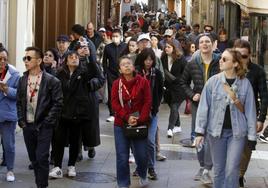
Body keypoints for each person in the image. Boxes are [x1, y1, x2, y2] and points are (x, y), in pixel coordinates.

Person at [195, 48, 257, 188]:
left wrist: (252, 137)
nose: (220, 61)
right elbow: (203, 107)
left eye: (225, 59)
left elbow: (250, 111)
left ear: (235, 64)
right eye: (221, 58)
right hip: (216, 133)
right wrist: (199, 132)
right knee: (219, 170)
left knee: (232, 169)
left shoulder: (245, 84)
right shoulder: (212, 82)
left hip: (237, 133)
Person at [49, 46, 104, 178]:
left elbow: (97, 74)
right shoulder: (59, 73)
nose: (74, 59)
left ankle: (71, 165)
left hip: (77, 113)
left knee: (75, 140)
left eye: (76, 58)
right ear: (66, 61)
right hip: (62, 112)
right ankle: (57, 166)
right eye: (71, 57)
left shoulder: (84, 73)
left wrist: (89, 57)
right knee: (58, 140)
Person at [17, 46, 63, 188]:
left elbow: (58, 103)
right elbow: (19, 102)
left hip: (43, 126)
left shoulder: (52, 81)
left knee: (42, 157)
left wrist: (47, 122)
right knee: (34, 159)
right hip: (27, 125)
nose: (26, 61)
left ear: (39, 61)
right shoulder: (22, 80)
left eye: (29, 58)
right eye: (25, 58)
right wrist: (21, 121)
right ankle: (40, 183)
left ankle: (42, 185)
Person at [181, 33, 221, 184]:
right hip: (198, 106)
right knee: (198, 135)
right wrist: (192, 95)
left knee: (212, 137)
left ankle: (206, 169)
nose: (205, 44)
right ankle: (202, 165)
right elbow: (183, 82)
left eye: (208, 42)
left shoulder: (220, 62)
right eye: (202, 42)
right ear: (198, 46)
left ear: (213, 44)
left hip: (217, 106)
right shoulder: (192, 63)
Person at [111, 56, 151, 188]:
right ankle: (123, 184)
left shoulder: (143, 82)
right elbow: (115, 103)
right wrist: (127, 117)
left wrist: (140, 119)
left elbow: (147, 101)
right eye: (123, 64)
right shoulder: (117, 84)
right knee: (122, 156)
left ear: (133, 67)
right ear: (120, 69)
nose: (127, 66)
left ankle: (143, 174)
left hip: (140, 122)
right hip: (121, 123)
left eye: (129, 63)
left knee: (141, 155)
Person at [233, 39, 268, 188]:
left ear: (250, 56)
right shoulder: (227, 68)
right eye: (238, 55)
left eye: (245, 56)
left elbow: (264, 96)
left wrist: (261, 119)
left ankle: (240, 175)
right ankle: (232, 174)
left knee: (247, 148)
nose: (241, 59)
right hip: (230, 116)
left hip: (250, 116)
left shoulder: (257, 71)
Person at [136, 48, 163, 180]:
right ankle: (140, 166)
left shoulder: (156, 73)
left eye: (151, 59)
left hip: (152, 112)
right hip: (138, 113)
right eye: (146, 59)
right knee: (138, 141)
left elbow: (159, 92)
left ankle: (151, 168)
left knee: (150, 141)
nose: (148, 62)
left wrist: (156, 107)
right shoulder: (136, 73)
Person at [0, 44, 20, 182]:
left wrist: (7, 90)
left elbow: (20, 94)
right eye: (0, 59)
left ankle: (10, 170)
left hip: (8, 114)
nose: (2, 62)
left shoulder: (14, 74)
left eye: (4, 59)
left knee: (9, 145)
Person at [161, 41, 186, 138]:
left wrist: (179, 80)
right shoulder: (163, 58)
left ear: (174, 48)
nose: (166, 48)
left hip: (179, 88)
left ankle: (170, 128)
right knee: (173, 108)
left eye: (168, 47)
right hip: (168, 89)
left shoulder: (181, 59)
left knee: (174, 107)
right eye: (165, 47)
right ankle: (178, 125)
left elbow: (186, 72)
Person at [103, 28, 127, 122]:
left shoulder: (125, 46)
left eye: (117, 36)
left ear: (120, 37)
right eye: (113, 36)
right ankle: (112, 113)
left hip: (123, 73)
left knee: (124, 93)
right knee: (112, 93)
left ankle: (123, 111)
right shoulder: (108, 47)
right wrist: (107, 72)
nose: (115, 38)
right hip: (111, 73)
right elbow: (104, 62)